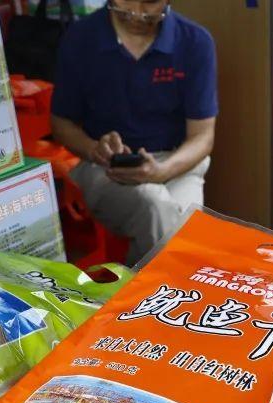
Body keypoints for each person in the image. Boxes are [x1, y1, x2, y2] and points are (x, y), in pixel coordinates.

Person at [51, 0, 218, 264]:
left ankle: (135, 283)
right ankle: (155, 286)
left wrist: (162, 171)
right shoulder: (81, 38)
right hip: (104, 169)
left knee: (183, 230)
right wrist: (94, 149)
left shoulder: (195, 42)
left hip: (178, 164)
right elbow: (61, 124)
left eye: (150, 2)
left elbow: (202, 136)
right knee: (155, 206)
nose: (136, 13)